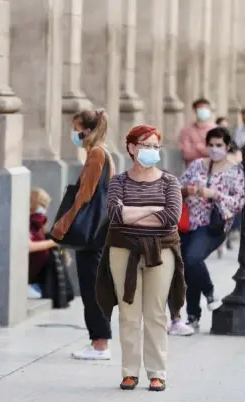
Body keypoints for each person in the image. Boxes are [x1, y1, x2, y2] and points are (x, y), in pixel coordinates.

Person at [96, 125, 184, 391]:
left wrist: (132, 212)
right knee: (128, 313)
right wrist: (152, 210)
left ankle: (157, 372)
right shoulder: (119, 182)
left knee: (156, 313)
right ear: (132, 148)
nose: (152, 151)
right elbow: (114, 215)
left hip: (161, 251)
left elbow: (171, 218)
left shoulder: (170, 182)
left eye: (156, 147)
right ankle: (129, 372)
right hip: (123, 251)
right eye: (146, 146)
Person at [51, 108, 114, 360]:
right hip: (98, 231)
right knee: (92, 286)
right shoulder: (101, 152)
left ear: (87, 130)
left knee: (91, 287)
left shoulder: (97, 154)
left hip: (91, 233)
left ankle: (100, 344)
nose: (74, 133)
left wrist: (63, 224)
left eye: (76, 128)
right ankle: (99, 342)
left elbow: (84, 196)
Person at [179, 127, 245, 329]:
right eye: (211, 145)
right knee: (188, 266)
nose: (215, 149)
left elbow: (238, 202)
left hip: (213, 225)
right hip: (189, 222)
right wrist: (188, 190)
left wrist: (214, 194)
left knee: (192, 258)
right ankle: (193, 315)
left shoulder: (235, 171)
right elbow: (178, 187)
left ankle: (209, 292)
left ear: (227, 147)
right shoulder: (197, 165)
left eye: (219, 145)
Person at [178, 98, 217, 167]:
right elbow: (186, 154)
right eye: (201, 109)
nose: (204, 111)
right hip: (192, 170)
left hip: (213, 169)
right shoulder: (186, 131)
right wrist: (205, 149)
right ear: (194, 110)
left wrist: (197, 146)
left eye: (206, 108)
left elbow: (216, 152)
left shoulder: (216, 130)